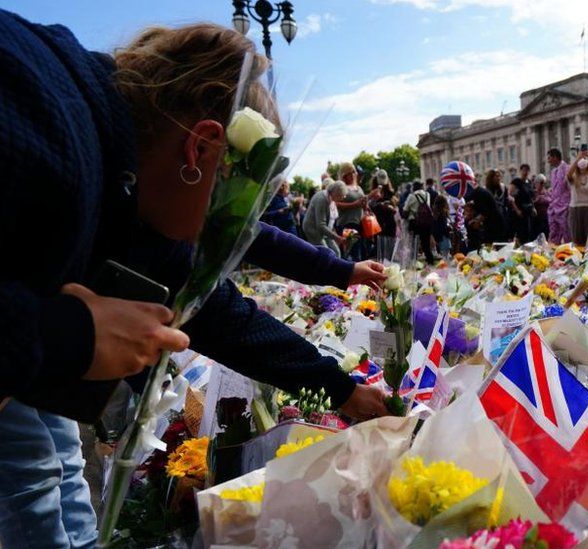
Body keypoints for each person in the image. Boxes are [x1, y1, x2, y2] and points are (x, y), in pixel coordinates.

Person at [0, 16, 389, 548]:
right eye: (232, 208)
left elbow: (214, 311)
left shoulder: (116, 169)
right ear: (201, 150)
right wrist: (68, 336)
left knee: (58, 471)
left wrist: (341, 389)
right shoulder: (42, 127)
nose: (227, 235)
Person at [303, 181, 348, 255]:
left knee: (336, 252)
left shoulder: (331, 198)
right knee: (326, 254)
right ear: (336, 193)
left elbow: (331, 221)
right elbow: (320, 225)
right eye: (341, 195)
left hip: (324, 230)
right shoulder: (322, 199)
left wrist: (335, 235)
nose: (343, 197)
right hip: (313, 230)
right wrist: (336, 237)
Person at [335, 162, 367, 259]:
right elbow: (335, 204)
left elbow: (362, 204)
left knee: (360, 253)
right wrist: (354, 204)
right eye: (352, 172)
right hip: (347, 224)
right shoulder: (341, 187)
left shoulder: (359, 188)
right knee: (351, 254)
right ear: (345, 175)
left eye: (354, 172)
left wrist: (366, 205)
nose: (354, 174)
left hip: (360, 224)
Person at [368, 170, 398, 261]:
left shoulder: (390, 193)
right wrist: (379, 204)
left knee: (390, 247)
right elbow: (369, 206)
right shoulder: (373, 192)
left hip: (389, 222)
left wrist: (389, 206)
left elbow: (395, 208)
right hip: (378, 223)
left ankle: (388, 266)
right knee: (379, 248)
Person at [403, 181, 436, 264]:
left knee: (414, 244)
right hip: (426, 223)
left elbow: (405, 211)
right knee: (426, 245)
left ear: (413, 187)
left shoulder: (411, 196)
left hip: (415, 223)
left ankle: (413, 262)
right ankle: (430, 262)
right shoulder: (427, 195)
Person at [546, 149, 571, 244]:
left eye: (549, 158)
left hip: (564, 206)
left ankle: (570, 253)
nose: (548, 161)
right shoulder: (552, 172)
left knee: (567, 233)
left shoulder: (567, 168)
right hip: (554, 207)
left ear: (555, 157)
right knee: (553, 232)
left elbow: (570, 187)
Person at [507, 175, 535, 245]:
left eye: (527, 171)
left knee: (526, 232)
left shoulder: (528, 184)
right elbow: (510, 197)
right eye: (524, 170)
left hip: (526, 212)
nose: (525, 173)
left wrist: (533, 207)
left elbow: (530, 198)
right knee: (518, 233)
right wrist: (517, 210)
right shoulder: (516, 182)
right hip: (517, 213)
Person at [484, 169, 512, 240]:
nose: (498, 178)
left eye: (499, 176)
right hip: (491, 219)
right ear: (491, 177)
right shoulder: (486, 190)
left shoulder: (503, 188)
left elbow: (506, 202)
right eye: (496, 176)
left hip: (502, 216)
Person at [532, 174, 550, 240]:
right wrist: (536, 200)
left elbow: (551, 202)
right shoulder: (533, 193)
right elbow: (531, 203)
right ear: (536, 183)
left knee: (546, 237)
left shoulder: (547, 193)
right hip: (536, 219)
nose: (542, 185)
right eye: (541, 183)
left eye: (543, 183)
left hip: (546, 218)